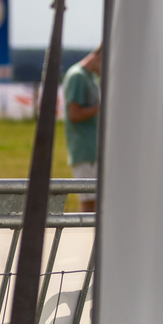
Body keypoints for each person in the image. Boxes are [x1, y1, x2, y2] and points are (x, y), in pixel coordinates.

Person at [62, 45, 102, 212]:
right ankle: (84, 238)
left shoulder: (90, 77)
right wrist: (102, 106)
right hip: (84, 149)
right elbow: (74, 114)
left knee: (95, 203)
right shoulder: (77, 76)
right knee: (88, 204)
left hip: (93, 149)